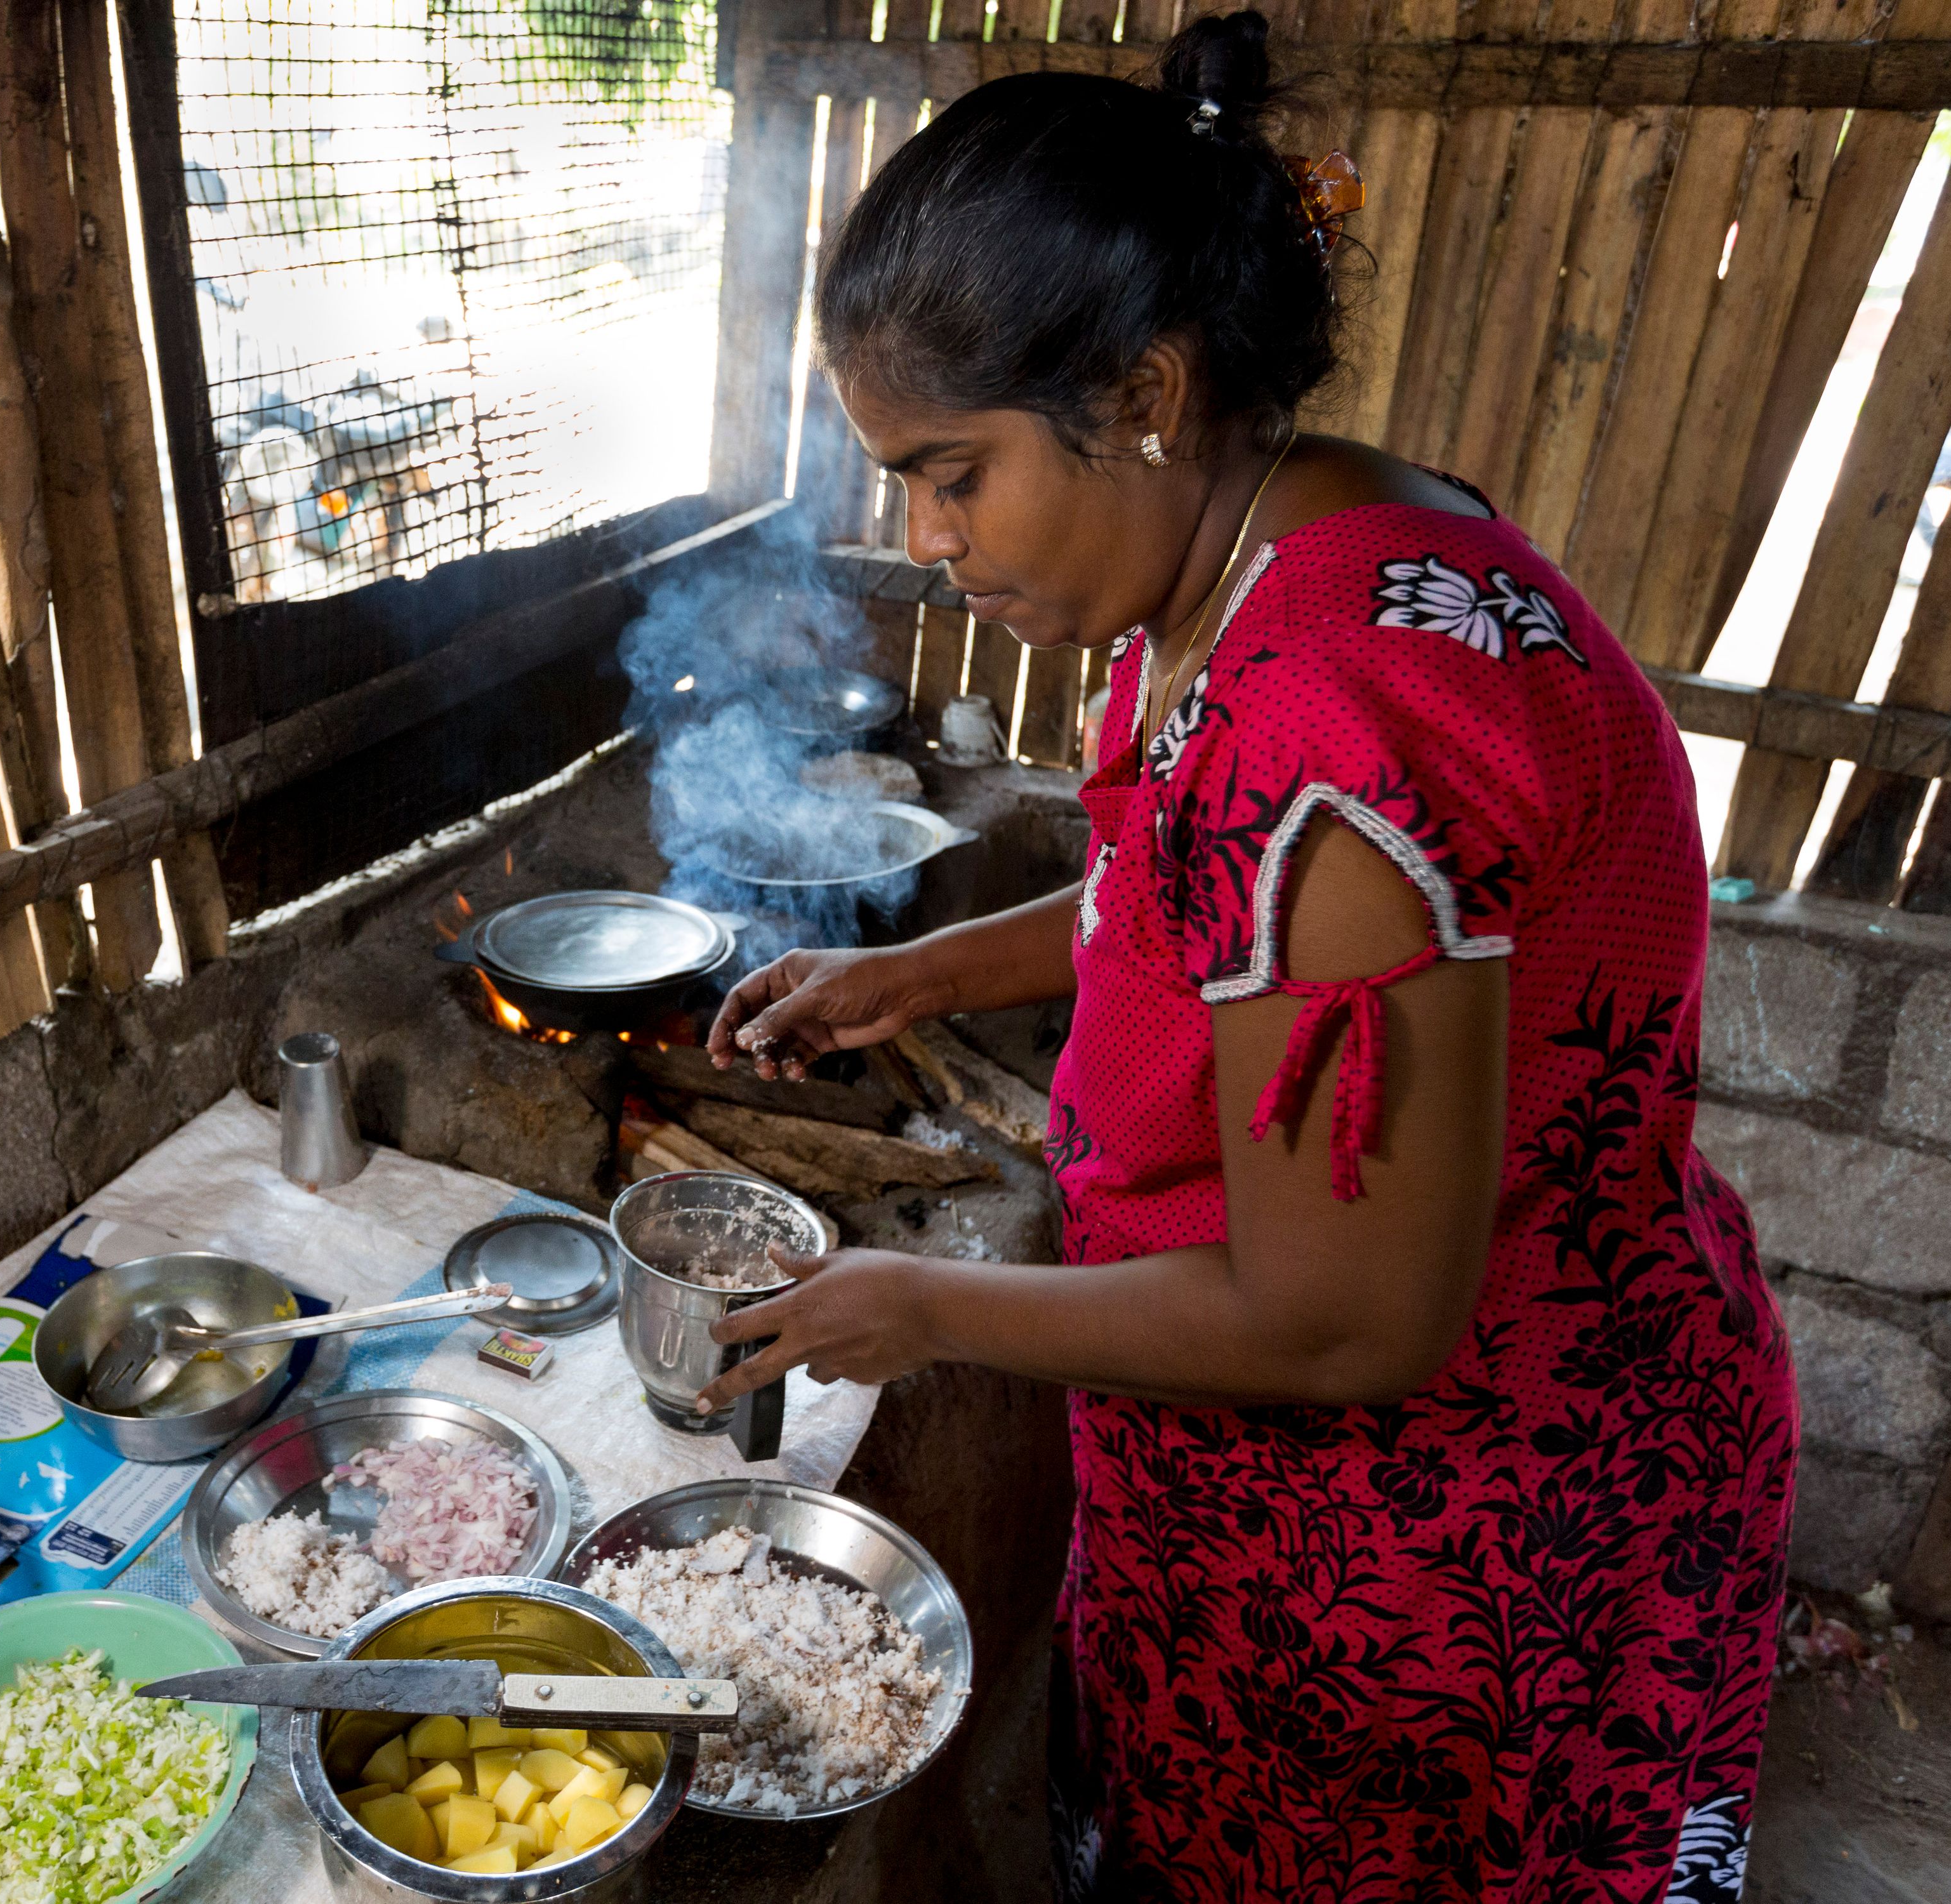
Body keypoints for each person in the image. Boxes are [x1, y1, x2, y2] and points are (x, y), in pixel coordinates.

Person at [695, 14, 1796, 1900]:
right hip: (1309, 1499)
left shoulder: (1335, 722)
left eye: (951, 473)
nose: (927, 539)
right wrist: (929, 977)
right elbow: (1187, 906)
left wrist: (929, 1306)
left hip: (1450, 1552)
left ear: (1139, 390)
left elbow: (1345, 1321)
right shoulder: (1278, 537)